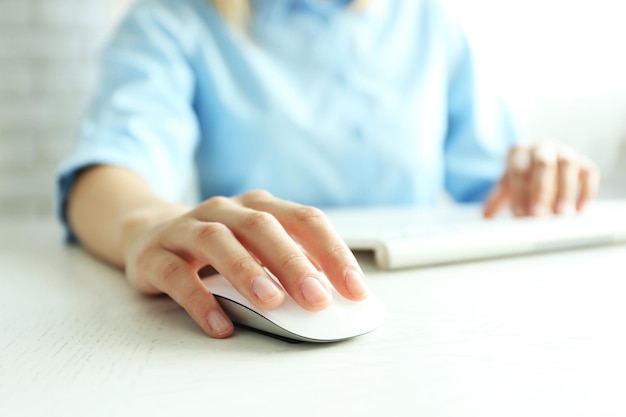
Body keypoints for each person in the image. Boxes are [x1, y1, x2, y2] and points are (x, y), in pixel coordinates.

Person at [56, 0, 600, 339]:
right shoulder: (172, 20)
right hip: (268, 289)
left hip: (438, 315)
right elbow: (109, 171)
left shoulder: (427, 19)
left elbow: (486, 186)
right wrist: (145, 227)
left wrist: (536, 172)